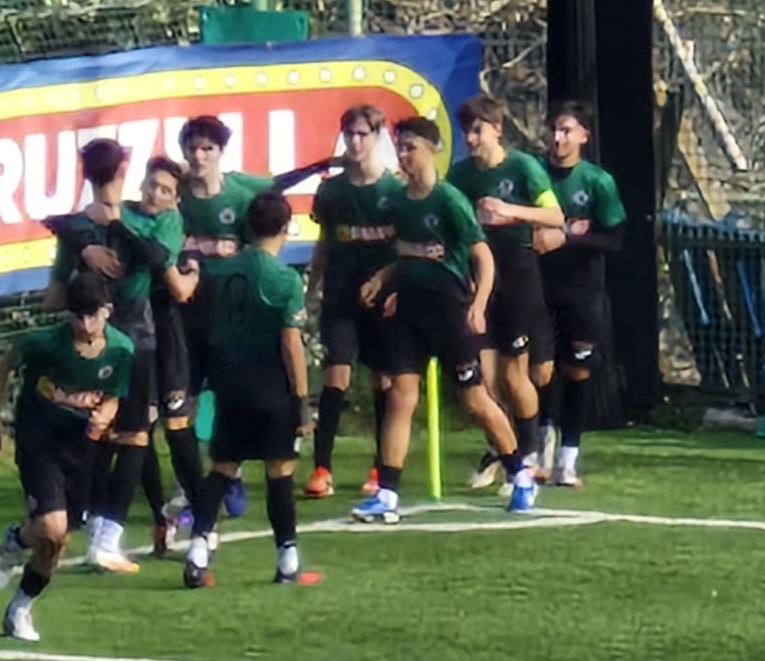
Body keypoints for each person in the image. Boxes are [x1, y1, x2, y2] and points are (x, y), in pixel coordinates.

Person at [351, 117, 537, 524]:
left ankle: (520, 472)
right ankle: (387, 492)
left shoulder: (449, 199)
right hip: (409, 313)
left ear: (432, 150)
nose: (404, 155)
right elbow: (404, 254)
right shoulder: (398, 202)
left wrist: (478, 305)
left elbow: (482, 257)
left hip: (448, 311)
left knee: (474, 399)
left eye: (411, 147)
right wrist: (383, 280)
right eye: (400, 147)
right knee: (401, 397)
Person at [176, 115, 339, 520]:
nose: (199, 156)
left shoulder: (240, 190)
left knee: (230, 394)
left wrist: (318, 166)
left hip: (233, 314)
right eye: (193, 148)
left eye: (207, 148)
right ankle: (192, 486)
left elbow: (277, 184)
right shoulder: (177, 195)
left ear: (220, 152)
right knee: (185, 401)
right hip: (190, 310)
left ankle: (227, 475)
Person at [43, 138, 177, 575]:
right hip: (135, 339)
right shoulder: (148, 220)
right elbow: (159, 260)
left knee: (98, 433)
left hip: (89, 345)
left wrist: (81, 266)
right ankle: (106, 537)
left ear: (84, 173)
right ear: (123, 170)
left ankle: (85, 528)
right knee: (134, 436)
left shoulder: (77, 227)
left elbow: (52, 296)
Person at [182, 190, 320, 588]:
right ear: (285, 228)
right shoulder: (284, 279)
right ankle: (287, 559)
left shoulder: (220, 273)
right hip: (271, 386)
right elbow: (291, 343)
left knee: (223, 468)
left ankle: (197, 550)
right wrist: (301, 401)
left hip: (229, 383)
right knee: (280, 472)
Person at [0, 272, 134, 642]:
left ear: (107, 311)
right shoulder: (45, 344)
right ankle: (16, 543)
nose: (85, 324)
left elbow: (113, 396)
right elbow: (6, 364)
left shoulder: (121, 350)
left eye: (92, 315)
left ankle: (20, 605)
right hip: (39, 440)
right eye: (77, 316)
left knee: (58, 541)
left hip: (80, 448)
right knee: (52, 527)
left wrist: (105, 416)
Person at [447, 94, 565, 488]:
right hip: (479, 280)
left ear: (496, 129)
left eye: (477, 130)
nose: (470, 139)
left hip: (518, 276)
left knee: (517, 374)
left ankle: (527, 451)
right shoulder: (460, 177)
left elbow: (555, 215)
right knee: (483, 378)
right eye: (466, 131)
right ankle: (502, 449)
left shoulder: (523, 167)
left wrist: (510, 211)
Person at [303, 104, 402, 500]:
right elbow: (325, 241)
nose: (356, 142)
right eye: (350, 135)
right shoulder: (332, 190)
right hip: (341, 291)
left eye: (363, 134)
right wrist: (312, 288)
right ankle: (321, 467)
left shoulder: (394, 189)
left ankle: (381, 465)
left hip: (383, 296)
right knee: (336, 375)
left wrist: (387, 281)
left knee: (383, 379)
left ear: (377, 137)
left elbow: (405, 246)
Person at [534, 101, 627, 486]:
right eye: (554, 130)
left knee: (577, 371)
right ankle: (538, 448)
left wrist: (567, 239)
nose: (558, 138)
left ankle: (567, 459)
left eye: (567, 130)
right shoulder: (533, 173)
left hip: (582, 292)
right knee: (540, 370)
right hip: (537, 288)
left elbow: (614, 239)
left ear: (584, 136)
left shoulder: (597, 182)